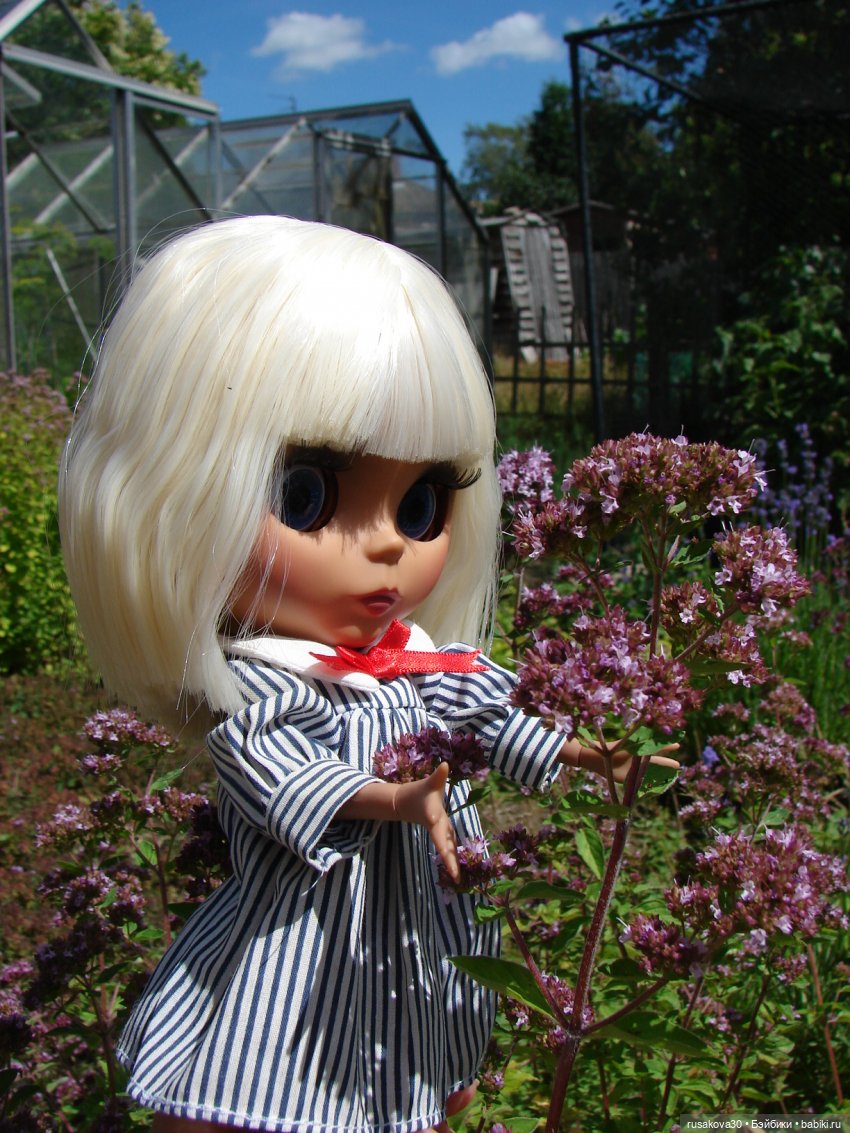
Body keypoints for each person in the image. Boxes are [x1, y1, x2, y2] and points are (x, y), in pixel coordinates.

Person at [59, 216, 675, 1133]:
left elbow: (485, 707)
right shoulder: (268, 682)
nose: (387, 541)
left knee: (416, 1080)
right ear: (172, 498)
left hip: (415, 948)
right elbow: (274, 768)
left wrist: (585, 751)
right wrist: (391, 797)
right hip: (302, 957)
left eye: (422, 503)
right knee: (272, 1094)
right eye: (305, 494)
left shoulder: (412, 661)